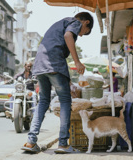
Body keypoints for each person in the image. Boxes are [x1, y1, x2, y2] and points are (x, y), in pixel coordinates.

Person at [21, 12, 94, 154]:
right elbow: (68, 36)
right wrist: (78, 62)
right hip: (54, 64)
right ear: (85, 23)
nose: (80, 35)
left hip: (40, 66)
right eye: (85, 32)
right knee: (66, 101)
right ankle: (63, 144)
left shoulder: (61, 23)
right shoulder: (75, 22)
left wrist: (69, 81)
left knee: (43, 101)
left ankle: (30, 142)